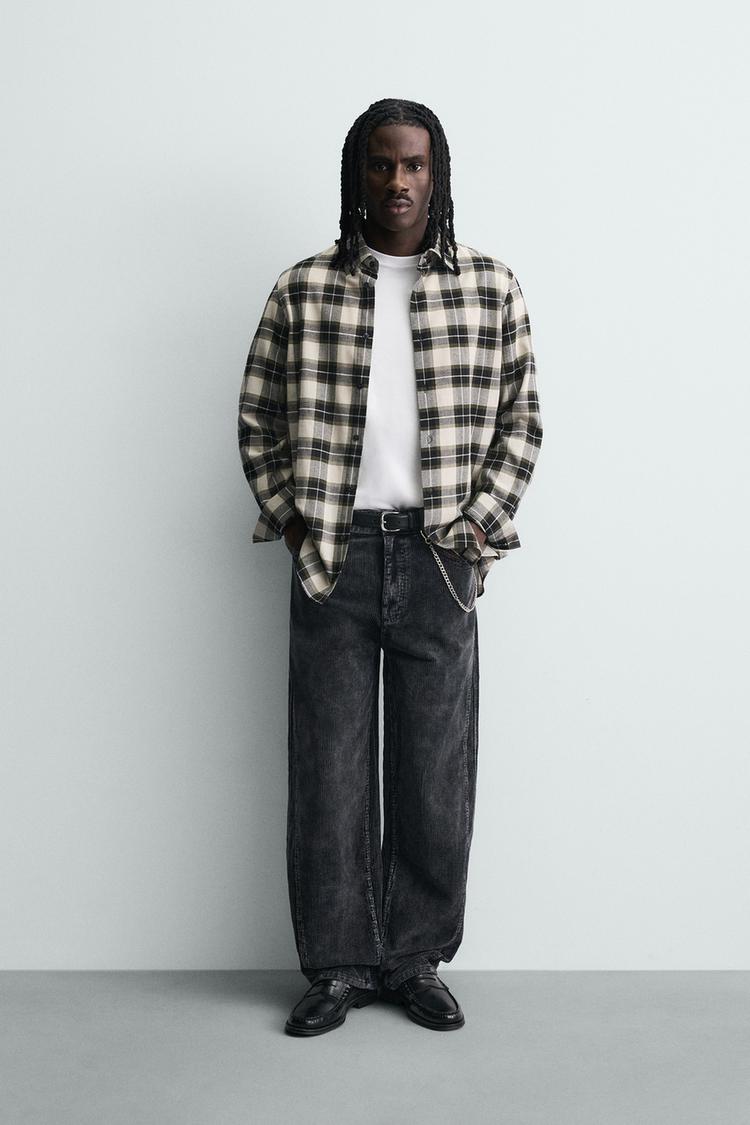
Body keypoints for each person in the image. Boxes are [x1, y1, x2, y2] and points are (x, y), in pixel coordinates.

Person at [238, 97, 543, 1036]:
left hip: (441, 553)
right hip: (335, 553)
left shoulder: (490, 287)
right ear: (357, 174)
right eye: (381, 164)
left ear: (436, 174)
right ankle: (337, 964)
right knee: (329, 769)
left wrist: (474, 535)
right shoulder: (304, 288)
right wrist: (298, 525)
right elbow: (258, 418)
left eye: (413, 165)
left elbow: (521, 421)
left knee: (434, 770)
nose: (397, 181)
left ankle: (413, 958)